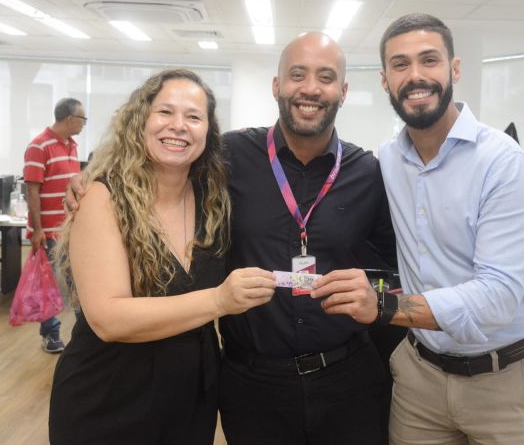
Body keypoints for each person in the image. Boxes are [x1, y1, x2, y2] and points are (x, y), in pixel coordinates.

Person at [65, 33, 396, 445]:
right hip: (252, 385)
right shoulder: (229, 156)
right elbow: (160, 163)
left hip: (348, 381)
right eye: (297, 75)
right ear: (277, 86)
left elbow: (392, 268)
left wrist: (376, 294)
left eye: (325, 77)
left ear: (343, 92)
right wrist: (91, 179)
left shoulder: (368, 172)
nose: (310, 88)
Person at [311, 13, 524, 445]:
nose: (415, 76)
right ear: (385, 80)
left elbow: (497, 298)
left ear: (454, 69)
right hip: (419, 378)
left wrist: (385, 306)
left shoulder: (503, 165)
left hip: (506, 383)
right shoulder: (388, 161)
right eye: (400, 65)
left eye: (429, 60)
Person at [49, 69, 276, 445]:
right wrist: (219, 300)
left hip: (190, 399)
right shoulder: (103, 198)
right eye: (165, 112)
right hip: (107, 398)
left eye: (193, 116)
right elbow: (108, 319)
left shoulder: (213, 199)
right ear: (140, 120)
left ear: (208, 131)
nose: (178, 125)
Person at [23, 97, 86, 353]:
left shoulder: (72, 145)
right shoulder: (39, 145)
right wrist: (37, 230)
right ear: (70, 119)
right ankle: (50, 334)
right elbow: (32, 191)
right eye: (82, 119)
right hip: (47, 231)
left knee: (77, 280)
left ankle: (85, 331)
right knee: (46, 284)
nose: (84, 123)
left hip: (69, 229)